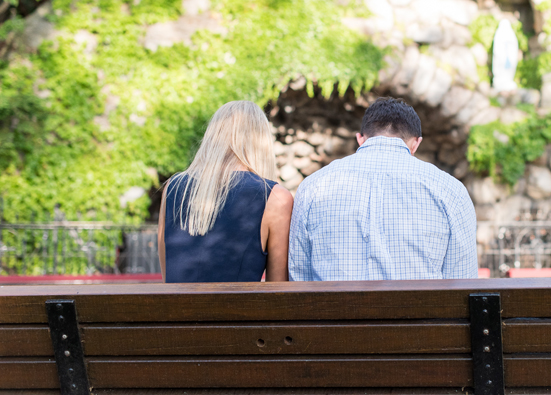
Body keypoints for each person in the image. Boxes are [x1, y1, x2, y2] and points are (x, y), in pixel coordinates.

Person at [288, 97, 478, 281]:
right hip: (418, 312)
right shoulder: (450, 190)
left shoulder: (313, 186)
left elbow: (298, 276)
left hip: (334, 312)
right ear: (416, 143)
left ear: (360, 139)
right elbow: (462, 281)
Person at [157, 101, 293, 282]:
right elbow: (278, 290)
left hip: (176, 309)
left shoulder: (172, 187)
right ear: (262, 142)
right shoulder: (275, 198)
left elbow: (168, 275)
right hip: (239, 309)